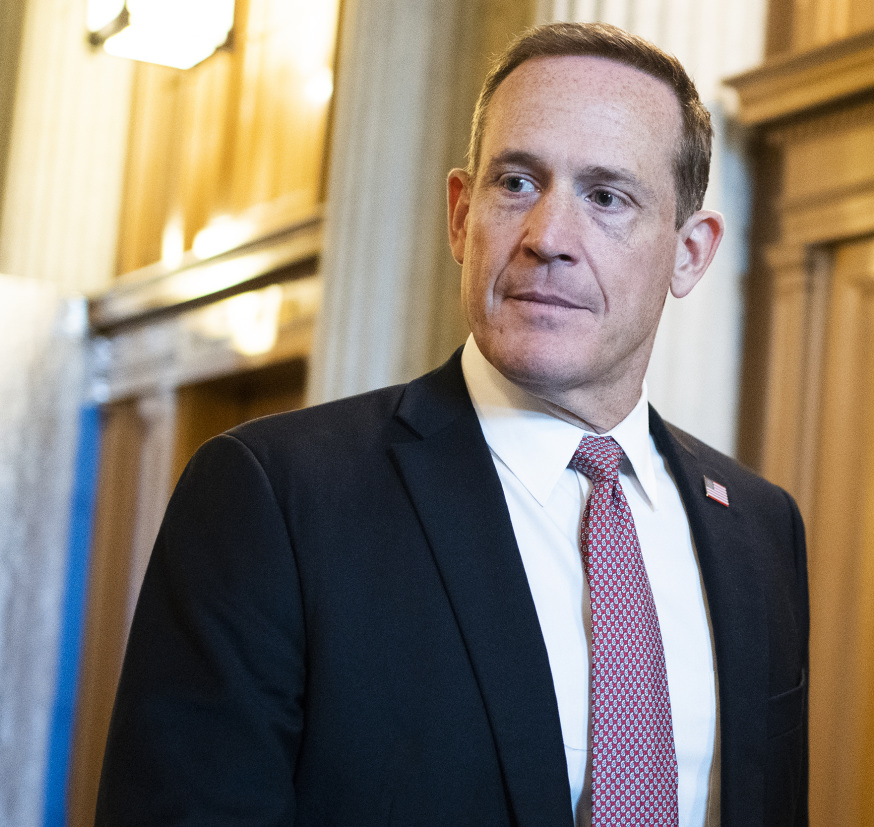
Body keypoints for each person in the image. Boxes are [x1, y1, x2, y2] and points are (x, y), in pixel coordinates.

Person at [96, 21, 807, 827]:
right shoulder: (276, 499)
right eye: (516, 184)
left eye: (606, 197)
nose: (547, 238)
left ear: (690, 253)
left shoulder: (760, 529)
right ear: (461, 215)